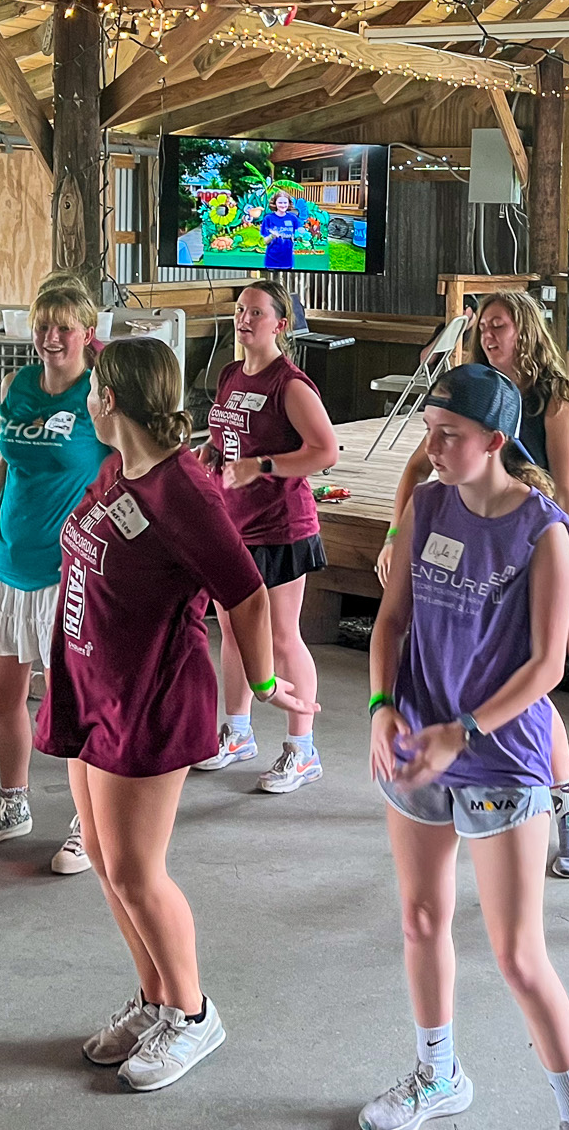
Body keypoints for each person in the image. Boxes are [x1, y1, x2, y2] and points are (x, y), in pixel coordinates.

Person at [37, 337, 313, 1092]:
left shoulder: (182, 489)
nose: (85, 398)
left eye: (93, 388)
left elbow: (245, 592)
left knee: (136, 869)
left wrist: (263, 681)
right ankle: (154, 997)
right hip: (91, 681)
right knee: (104, 860)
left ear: (110, 399)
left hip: (150, 694)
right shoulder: (116, 469)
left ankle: (193, 1014)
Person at [362, 364, 569, 1130]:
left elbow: (548, 666)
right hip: (417, 741)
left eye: (449, 435)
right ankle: (438, 1075)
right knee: (420, 919)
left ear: (496, 441)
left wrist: (463, 730)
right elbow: (390, 620)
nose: (432, 448)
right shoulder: (427, 505)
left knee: (517, 954)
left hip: (499, 755)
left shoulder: (544, 530)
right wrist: (380, 707)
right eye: (428, 431)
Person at [376, 290, 569, 877]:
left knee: (528, 689)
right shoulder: (462, 391)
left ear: (526, 331)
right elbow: (417, 469)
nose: (489, 334)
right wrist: (396, 537)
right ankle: (438, 783)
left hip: (522, 547)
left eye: (500, 325)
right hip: (461, 537)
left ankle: (566, 805)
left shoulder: (554, 402)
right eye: (484, 326)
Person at [0, 275, 111, 874]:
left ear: (86, 333)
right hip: (6, 555)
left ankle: (87, 823)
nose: (51, 337)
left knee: (72, 700)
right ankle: (12, 803)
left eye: (63, 328)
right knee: (2, 693)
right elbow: (6, 461)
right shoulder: (17, 385)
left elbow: (127, 468)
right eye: (43, 326)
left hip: (65, 568)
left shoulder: (100, 395)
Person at [194, 278, 340, 793]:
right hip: (230, 524)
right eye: (240, 310)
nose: (245, 319)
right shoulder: (230, 374)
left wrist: (263, 466)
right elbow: (227, 437)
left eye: (257, 312)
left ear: (280, 324)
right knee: (233, 631)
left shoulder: (290, 384)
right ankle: (237, 731)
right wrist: (212, 453)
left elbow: (325, 451)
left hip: (280, 527)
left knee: (279, 637)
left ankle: (303, 748)